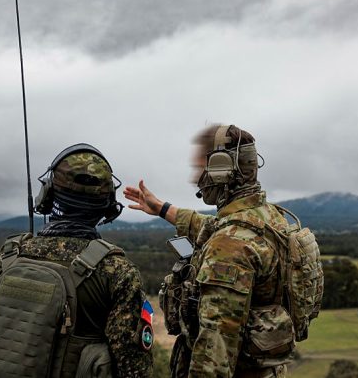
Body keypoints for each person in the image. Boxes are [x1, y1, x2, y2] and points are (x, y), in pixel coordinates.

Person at [124, 124, 323, 378]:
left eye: (201, 168)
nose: (197, 178)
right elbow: (210, 226)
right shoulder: (268, 218)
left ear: (222, 168)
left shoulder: (229, 246)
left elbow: (214, 357)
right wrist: (162, 208)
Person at [0, 143, 153, 378]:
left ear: (48, 194)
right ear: (108, 205)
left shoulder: (3, 259)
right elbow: (134, 370)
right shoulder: (118, 272)